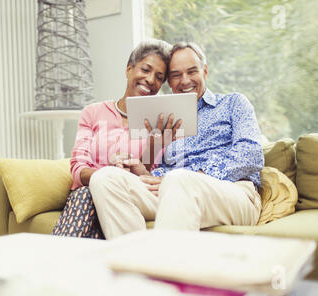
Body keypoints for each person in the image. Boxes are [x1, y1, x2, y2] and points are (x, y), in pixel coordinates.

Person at [89, 41, 264, 240]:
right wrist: (143, 171)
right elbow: (162, 172)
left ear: (204, 71)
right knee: (105, 178)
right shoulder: (163, 117)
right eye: (176, 75)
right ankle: (136, 262)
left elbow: (251, 154)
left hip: (233, 193)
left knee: (178, 179)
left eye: (192, 71)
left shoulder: (233, 103)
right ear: (169, 83)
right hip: (172, 190)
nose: (185, 80)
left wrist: (196, 174)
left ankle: (163, 268)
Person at [51, 39, 181, 239]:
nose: (150, 80)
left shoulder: (158, 122)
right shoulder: (92, 112)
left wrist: (152, 149)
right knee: (86, 195)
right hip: (87, 194)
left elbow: (149, 180)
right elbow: (78, 168)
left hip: (125, 196)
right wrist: (108, 174)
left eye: (158, 77)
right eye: (145, 69)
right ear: (129, 69)